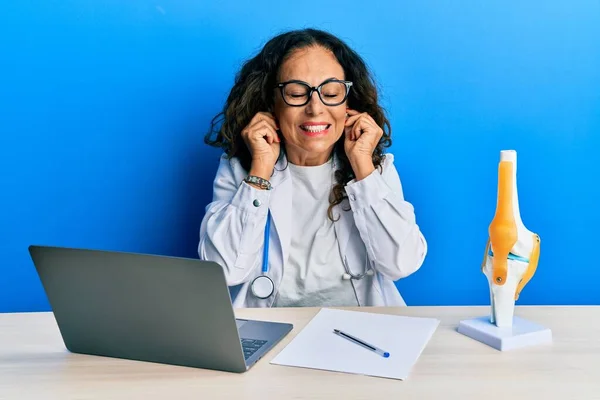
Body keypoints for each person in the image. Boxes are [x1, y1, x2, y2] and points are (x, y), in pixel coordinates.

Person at [198, 28, 427, 308]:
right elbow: (225, 270)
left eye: (331, 92)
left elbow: (402, 263)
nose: (315, 108)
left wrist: (363, 168)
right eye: (296, 93)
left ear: (348, 104)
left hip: (363, 330)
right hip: (273, 333)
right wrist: (259, 172)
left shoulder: (374, 169)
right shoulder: (241, 170)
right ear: (271, 103)